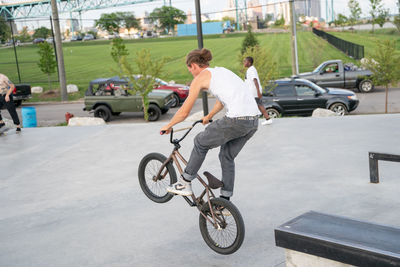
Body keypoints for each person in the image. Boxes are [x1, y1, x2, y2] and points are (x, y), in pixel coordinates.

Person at [160, 48, 260, 200]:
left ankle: (185, 182)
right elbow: (221, 101)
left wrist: (168, 125)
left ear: (193, 65)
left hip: (236, 120)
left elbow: (184, 112)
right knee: (226, 156)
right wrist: (209, 115)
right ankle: (224, 201)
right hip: (253, 122)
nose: (191, 73)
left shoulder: (200, 78)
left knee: (200, 142)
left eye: (190, 70)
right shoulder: (221, 72)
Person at [243, 57, 273, 126]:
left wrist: (258, 92)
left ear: (249, 63)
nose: (243, 63)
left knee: (253, 105)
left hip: (254, 92)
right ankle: (268, 119)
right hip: (252, 92)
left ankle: (252, 121)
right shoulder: (250, 69)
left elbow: (255, 80)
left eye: (245, 61)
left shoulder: (251, 70)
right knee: (259, 105)